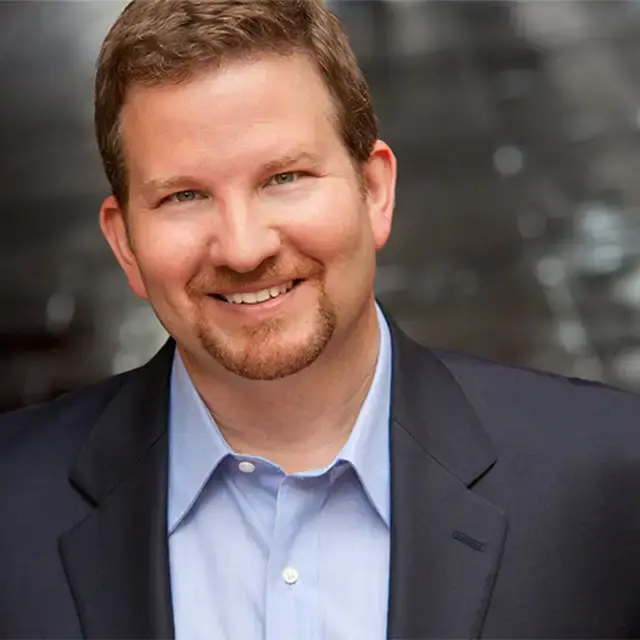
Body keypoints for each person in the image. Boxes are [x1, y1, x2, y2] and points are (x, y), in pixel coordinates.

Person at [1, 0, 640, 638]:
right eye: (184, 196)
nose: (244, 248)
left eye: (284, 177)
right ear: (124, 244)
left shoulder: (612, 478)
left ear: (375, 193)